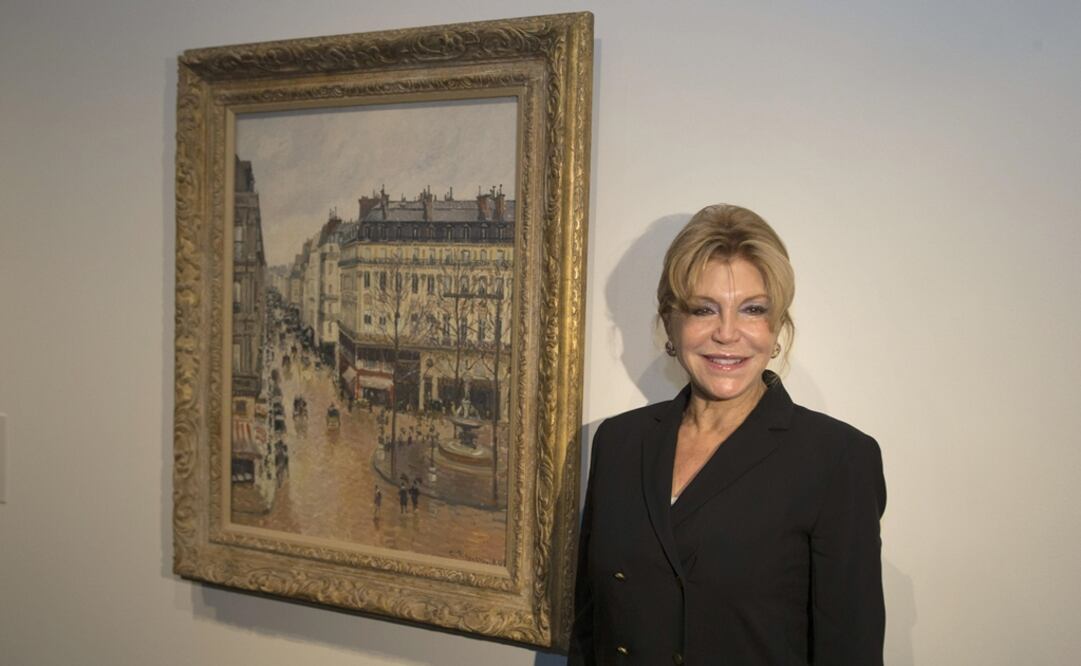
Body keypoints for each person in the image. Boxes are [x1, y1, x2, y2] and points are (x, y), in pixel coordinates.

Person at [570, 204, 886, 665]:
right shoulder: (619, 442)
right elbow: (590, 629)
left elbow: (850, 653)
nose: (727, 333)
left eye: (752, 310)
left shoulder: (838, 460)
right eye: (703, 309)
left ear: (776, 328)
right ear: (670, 325)